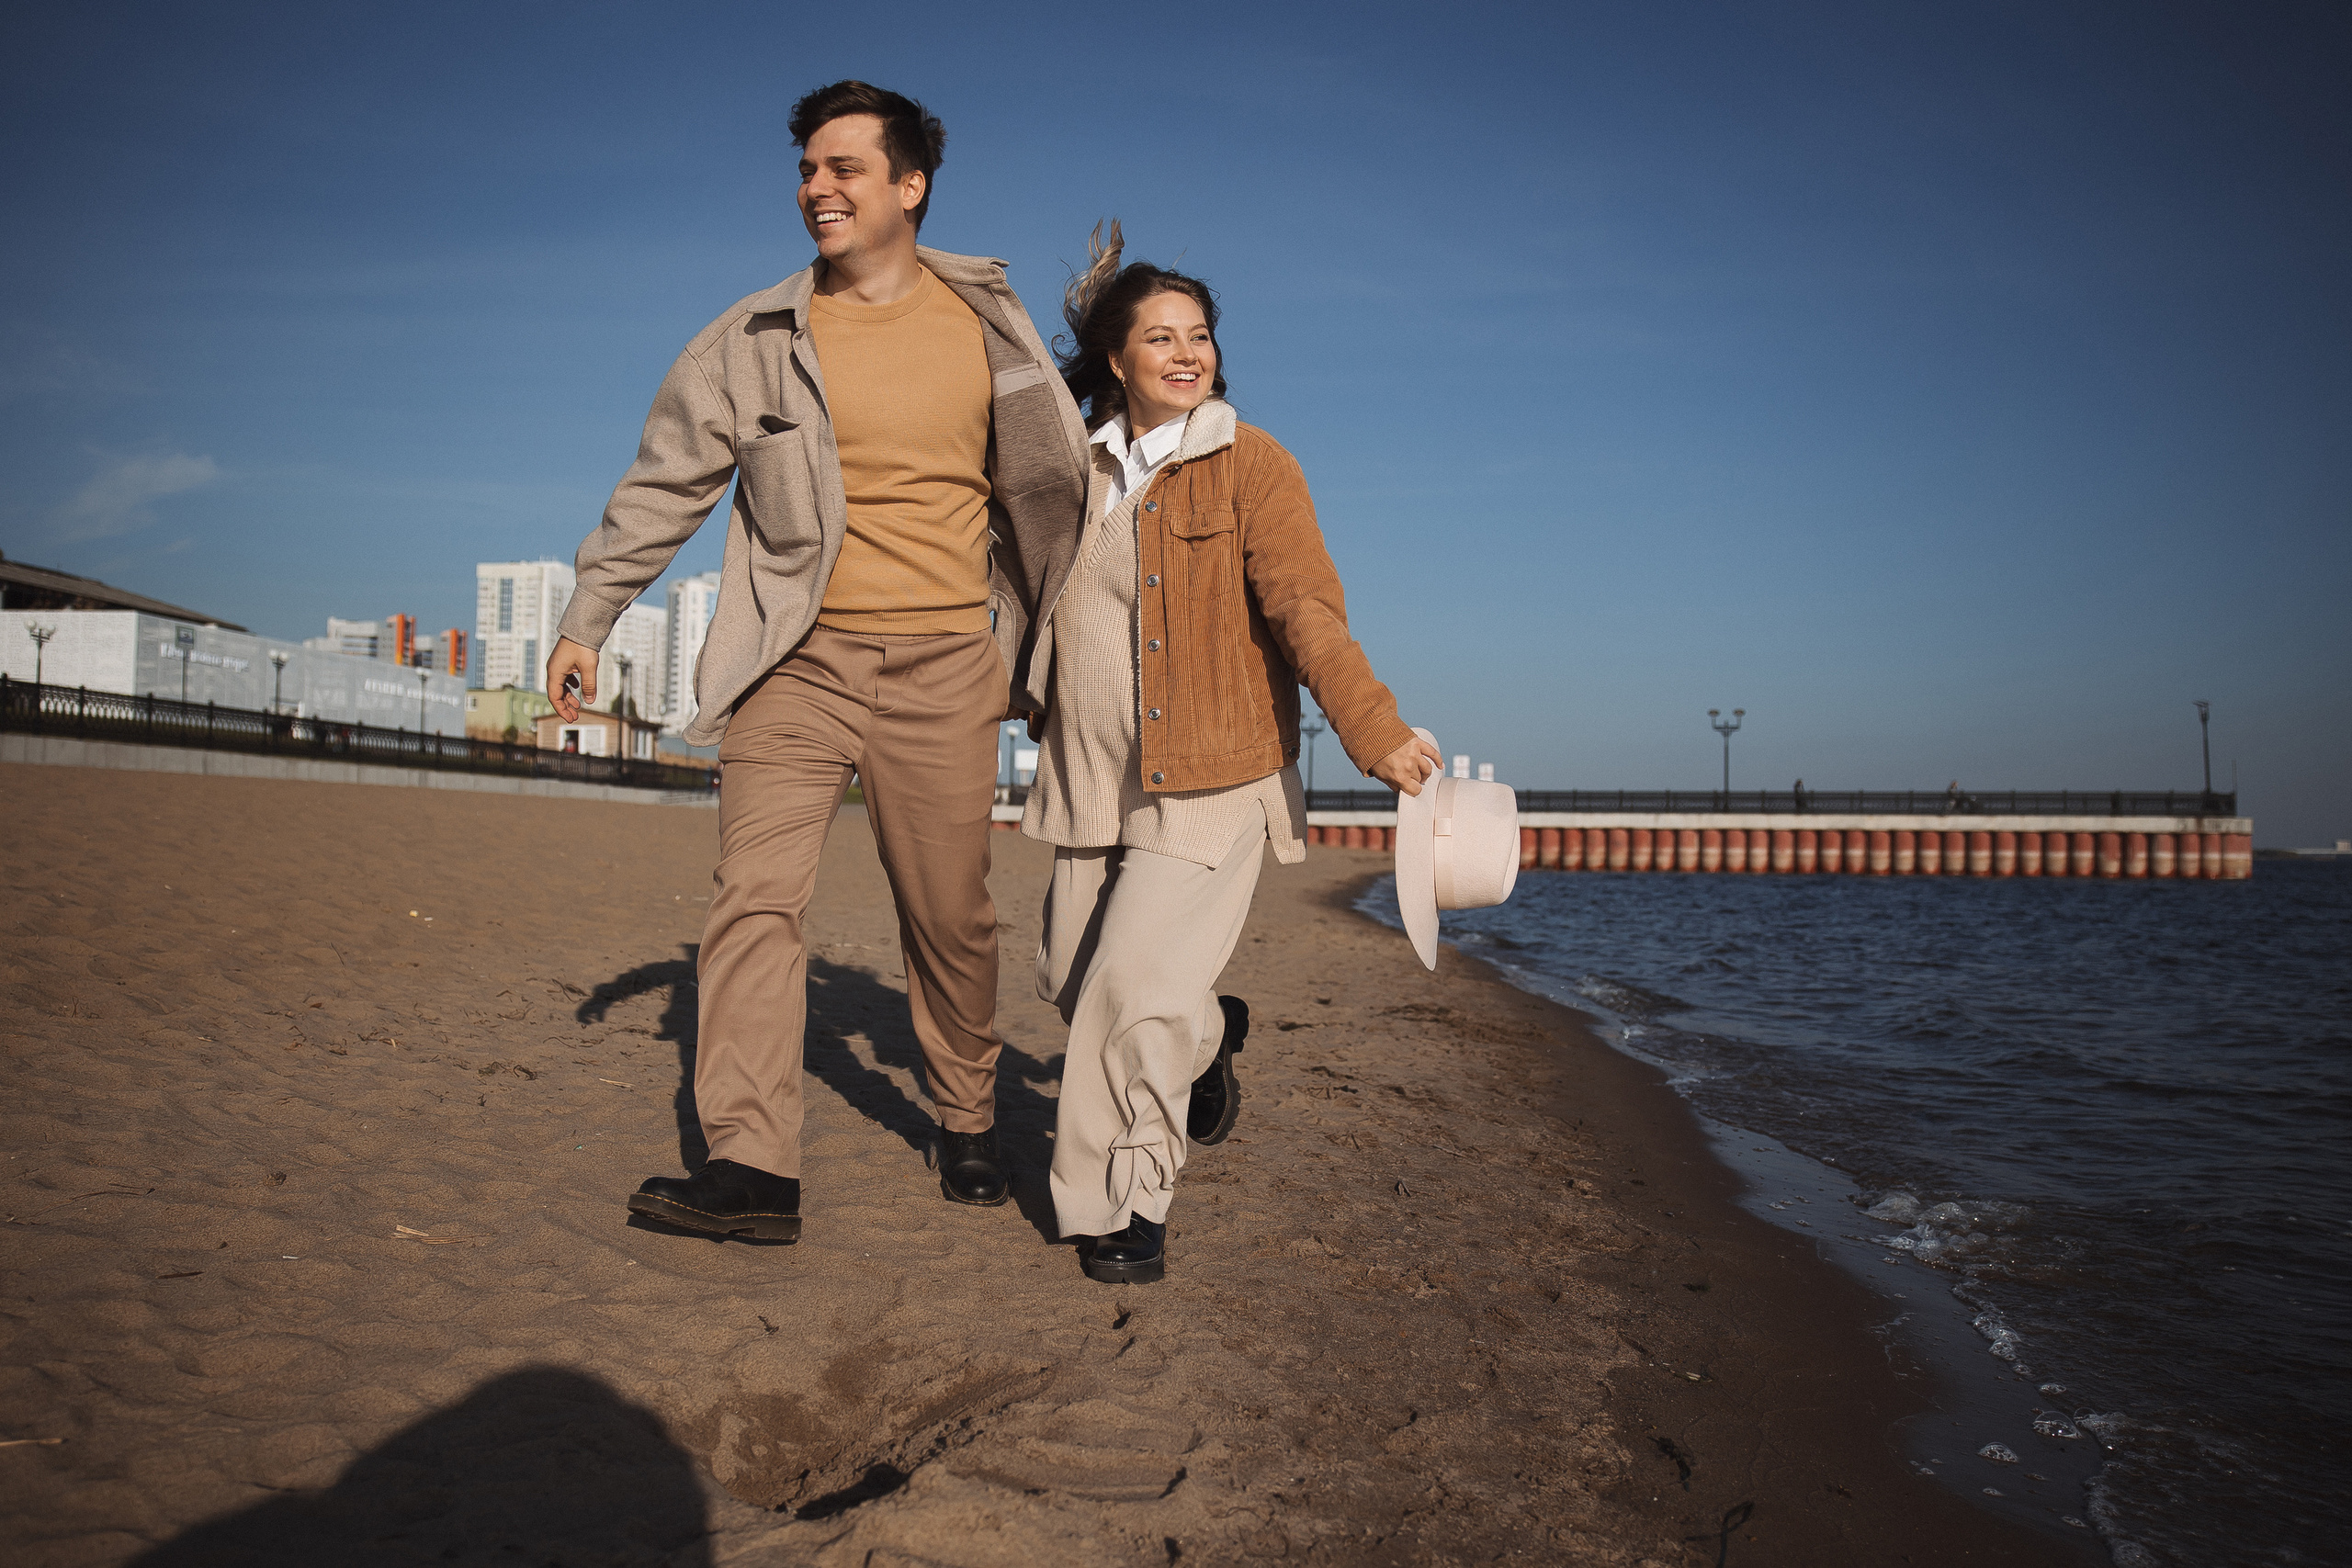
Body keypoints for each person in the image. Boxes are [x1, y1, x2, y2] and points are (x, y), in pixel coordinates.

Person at [544, 82, 1091, 1242]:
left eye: (843, 168)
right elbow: (665, 486)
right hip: (794, 661)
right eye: (806, 170)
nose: (815, 189)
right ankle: (752, 1166)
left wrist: (1057, 664)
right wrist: (589, 615)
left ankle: (966, 1113)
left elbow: (1055, 496)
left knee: (949, 916)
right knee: (753, 895)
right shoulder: (749, 341)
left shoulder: (986, 327)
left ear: (910, 185)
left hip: (947, 663)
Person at [1020, 224, 1440, 1284]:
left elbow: (1305, 607)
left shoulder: (1252, 465)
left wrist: (1374, 729)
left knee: (1128, 992)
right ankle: (1210, 1039)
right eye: (1159, 336)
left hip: (1213, 770)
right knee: (1071, 979)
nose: (1185, 353)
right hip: (1090, 770)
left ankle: (1128, 1201)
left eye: (1198, 335)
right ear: (1115, 357)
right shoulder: (1072, 471)